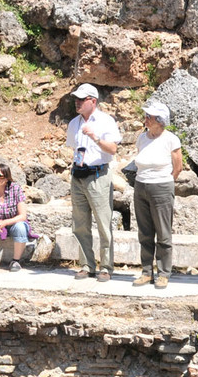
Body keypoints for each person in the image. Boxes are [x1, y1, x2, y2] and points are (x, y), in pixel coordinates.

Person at [66, 83, 121, 282]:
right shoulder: (74, 123)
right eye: (76, 99)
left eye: (82, 99)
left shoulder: (106, 121)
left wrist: (95, 138)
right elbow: (73, 148)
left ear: (93, 101)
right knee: (80, 223)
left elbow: (113, 149)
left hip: (98, 175)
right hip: (78, 174)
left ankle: (106, 267)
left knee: (103, 223)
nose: (77, 102)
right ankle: (86, 264)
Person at [130, 99, 182, 290]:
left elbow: (178, 166)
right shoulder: (142, 137)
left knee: (163, 232)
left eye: (149, 116)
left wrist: (166, 182)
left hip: (161, 186)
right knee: (144, 232)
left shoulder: (171, 139)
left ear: (160, 120)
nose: (146, 119)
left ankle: (163, 273)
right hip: (141, 185)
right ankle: (146, 271)